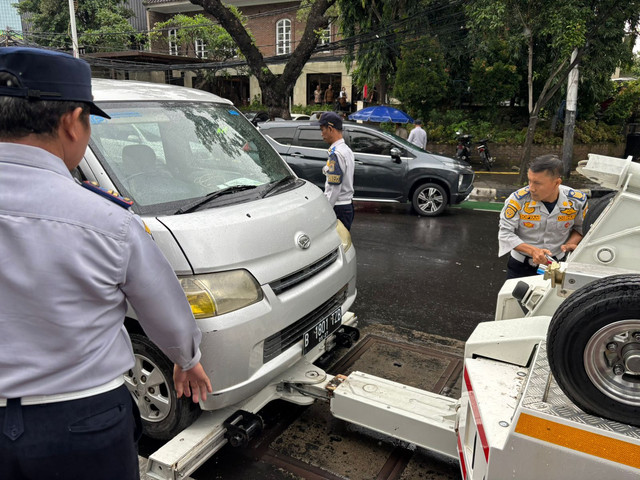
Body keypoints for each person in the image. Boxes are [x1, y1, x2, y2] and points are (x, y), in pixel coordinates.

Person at [0, 47, 212, 479]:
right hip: (82, 420)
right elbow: (167, 316)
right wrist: (186, 359)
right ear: (70, 122)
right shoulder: (106, 219)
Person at [498, 154, 588, 279]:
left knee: (556, 298)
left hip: (557, 266)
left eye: (537, 183)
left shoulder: (577, 201)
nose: (531, 188)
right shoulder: (517, 200)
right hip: (521, 267)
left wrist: (569, 244)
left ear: (557, 182)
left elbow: (580, 228)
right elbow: (505, 234)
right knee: (513, 298)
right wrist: (532, 250)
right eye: (529, 181)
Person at [313, 112, 355, 230]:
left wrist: (326, 210)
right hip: (346, 205)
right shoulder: (346, 150)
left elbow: (334, 188)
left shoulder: (336, 154)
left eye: (322, 130)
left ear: (330, 129)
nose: (322, 134)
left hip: (338, 208)